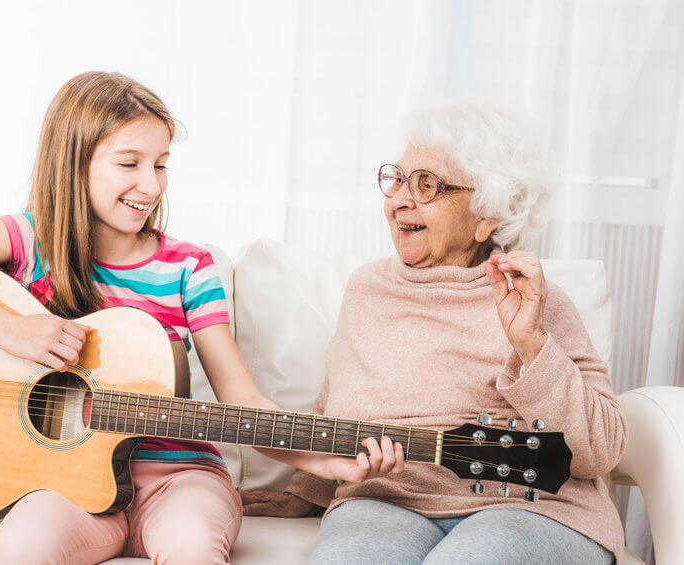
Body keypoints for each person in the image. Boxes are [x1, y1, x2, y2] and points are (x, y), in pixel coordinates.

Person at [0, 71, 403, 564]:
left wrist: (329, 463)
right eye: (129, 164)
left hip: (177, 479)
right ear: (74, 163)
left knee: (192, 545)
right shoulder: (27, 242)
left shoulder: (190, 267)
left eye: (161, 165)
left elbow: (241, 401)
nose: (152, 185)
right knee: (19, 549)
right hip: (63, 487)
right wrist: (9, 330)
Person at [242, 102, 626, 564]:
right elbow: (336, 405)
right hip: (383, 501)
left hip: (529, 505)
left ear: (488, 214)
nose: (400, 200)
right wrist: (307, 490)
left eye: (427, 185)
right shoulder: (367, 289)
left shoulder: (535, 300)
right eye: (398, 180)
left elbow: (599, 452)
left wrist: (532, 344)